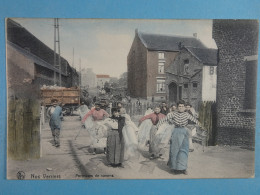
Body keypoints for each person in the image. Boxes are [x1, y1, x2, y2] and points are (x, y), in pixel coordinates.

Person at [157, 100, 205, 175]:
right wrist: (157, 126)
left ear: (184, 107)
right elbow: (163, 119)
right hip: (176, 132)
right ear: (177, 107)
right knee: (174, 150)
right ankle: (174, 167)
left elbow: (195, 120)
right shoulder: (173, 114)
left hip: (184, 132)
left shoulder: (187, 114)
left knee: (184, 150)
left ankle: (183, 168)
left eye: (182, 106)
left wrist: (201, 126)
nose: (181, 108)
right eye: (179, 106)